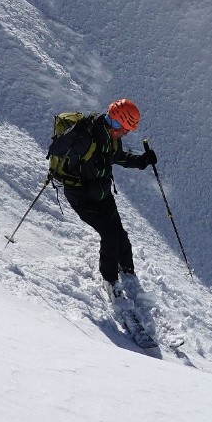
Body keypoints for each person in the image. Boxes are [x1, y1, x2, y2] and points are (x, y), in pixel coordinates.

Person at [53, 98, 157, 297]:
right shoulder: (86, 137)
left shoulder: (112, 138)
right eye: (125, 128)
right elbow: (56, 150)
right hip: (81, 197)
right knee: (109, 235)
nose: (126, 133)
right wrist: (73, 133)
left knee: (120, 234)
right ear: (116, 123)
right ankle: (110, 282)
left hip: (102, 193)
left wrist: (142, 161)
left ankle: (128, 271)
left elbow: (118, 157)